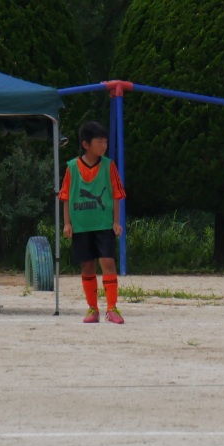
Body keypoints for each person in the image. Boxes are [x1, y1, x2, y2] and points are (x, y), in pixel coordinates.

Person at [59, 121, 127, 324]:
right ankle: (92, 308)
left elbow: (116, 194)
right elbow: (65, 196)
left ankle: (112, 308)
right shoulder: (72, 167)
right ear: (86, 144)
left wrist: (116, 221)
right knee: (87, 266)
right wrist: (67, 223)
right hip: (81, 225)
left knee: (108, 262)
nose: (104, 145)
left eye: (105, 141)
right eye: (99, 141)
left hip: (104, 224)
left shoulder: (109, 165)